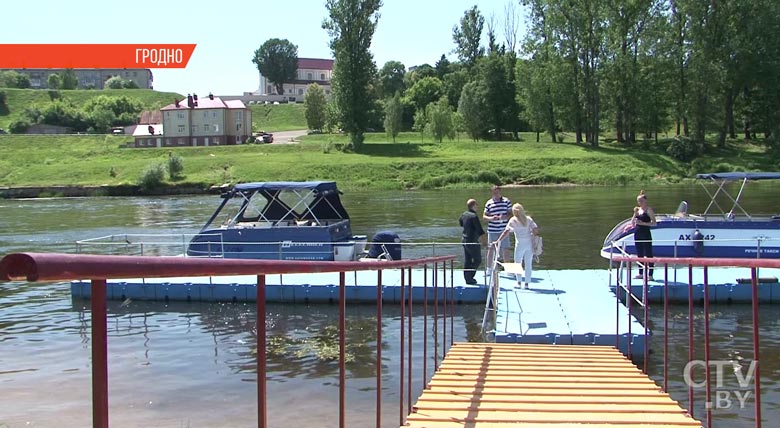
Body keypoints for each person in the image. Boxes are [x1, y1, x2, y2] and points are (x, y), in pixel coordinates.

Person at [494, 203, 539, 289]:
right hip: (529, 243)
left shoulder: (513, 220)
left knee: (517, 263)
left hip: (520, 244)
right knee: (528, 264)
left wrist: (498, 240)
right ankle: (527, 284)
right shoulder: (528, 219)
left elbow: (506, 232)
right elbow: (535, 230)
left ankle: (518, 282)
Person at [483, 185, 512, 271]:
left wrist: (505, 217)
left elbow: (511, 214)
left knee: (505, 249)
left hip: (504, 229)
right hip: (492, 230)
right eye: (495, 192)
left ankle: (508, 269)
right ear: (492, 193)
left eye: (498, 192)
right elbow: (484, 216)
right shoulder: (489, 203)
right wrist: (491, 218)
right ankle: (489, 268)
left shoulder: (506, 201)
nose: (497, 194)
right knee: (491, 249)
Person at [459, 198, 486, 285]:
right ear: (474, 205)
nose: (477, 207)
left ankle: (467, 278)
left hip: (464, 239)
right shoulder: (474, 216)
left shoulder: (464, 214)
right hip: (472, 240)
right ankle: (470, 276)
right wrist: (484, 242)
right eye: (476, 205)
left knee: (468, 260)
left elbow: (461, 223)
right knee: (477, 260)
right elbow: (480, 230)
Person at [632, 190, 656, 280]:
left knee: (648, 253)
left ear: (645, 201)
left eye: (641, 201)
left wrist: (643, 224)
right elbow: (632, 222)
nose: (640, 203)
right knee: (639, 253)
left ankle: (650, 274)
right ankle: (640, 273)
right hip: (638, 233)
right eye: (638, 201)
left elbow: (654, 223)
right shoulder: (638, 210)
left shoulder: (648, 210)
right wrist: (635, 215)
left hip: (646, 232)